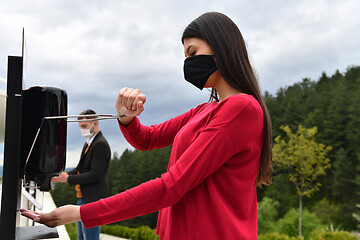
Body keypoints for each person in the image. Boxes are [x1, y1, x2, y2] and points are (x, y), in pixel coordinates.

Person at [21, 12, 273, 239]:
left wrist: (82, 213)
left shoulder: (241, 110)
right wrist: (126, 117)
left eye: (193, 53)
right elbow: (148, 139)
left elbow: (171, 186)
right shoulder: (205, 111)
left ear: (221, 46)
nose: (188, 63)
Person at [51, 109, 111, 240]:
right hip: (83, 197)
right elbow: (80, 168)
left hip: (92, 199)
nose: (82, 130)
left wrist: (69, 179)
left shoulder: (100, 144)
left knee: (90, 237)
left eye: (84, 126)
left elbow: (96, 174)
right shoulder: (89, 143)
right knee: (81, 237)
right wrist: (64, 175)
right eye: (80, 127)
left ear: (95, 123)